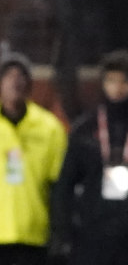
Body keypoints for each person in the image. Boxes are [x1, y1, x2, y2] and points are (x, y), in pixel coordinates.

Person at [50, 50, 128, 265]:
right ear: (102, 83)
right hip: (92, 235)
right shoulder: (85, 129)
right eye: (111, 80)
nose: (117, 88)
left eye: (124, 81)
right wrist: (64, 233)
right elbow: (65, 184)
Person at [0, 51, 67, 264]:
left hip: (35, 235)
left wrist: (59, 233)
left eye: (20, 76)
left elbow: (59, 187)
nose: (15, 82)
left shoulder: (49, 128)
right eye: (8, 76)